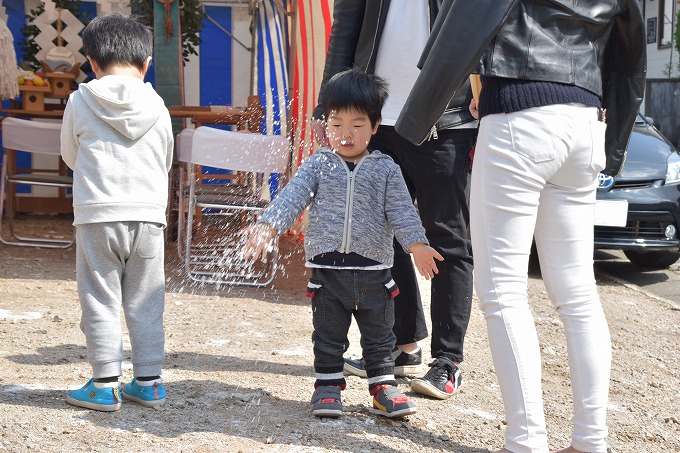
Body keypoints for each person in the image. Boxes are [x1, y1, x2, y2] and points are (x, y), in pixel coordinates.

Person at [395, 1, 645, 452]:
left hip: (519, 116)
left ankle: (526, 443)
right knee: (578, 294)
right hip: (584, 121)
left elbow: (463, 23)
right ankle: (591, 442)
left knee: (504, 292)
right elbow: (631, 60)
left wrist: (418, 118)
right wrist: (618, 140)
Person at [243, 68, 443, 418]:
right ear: (325, 125)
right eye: (336, 125)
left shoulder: (387, 169)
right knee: (328, 336)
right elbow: (291, 198)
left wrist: (417, 245)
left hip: (376, 275)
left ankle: (384, 389)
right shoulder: (318, 165)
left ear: (376, 125)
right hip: (327, 275)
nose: (346, 134)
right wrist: (268, 226)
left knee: (380, 337)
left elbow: (402, 213)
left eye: (357, 125)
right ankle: (328, 388)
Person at [312, 0, 477, 400]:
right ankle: (403, 347)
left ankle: (447, 360)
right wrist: (327, 107)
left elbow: (479, 29)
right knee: (386, 238)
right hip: (379, 121)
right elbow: (345, 30)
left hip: (446, 121)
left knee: (446, 240)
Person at [60, 13, 174, 412]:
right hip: (148, 216)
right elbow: (165, 159)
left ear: (91, 62)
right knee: (146, 299)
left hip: (97, 214)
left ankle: (105, 383)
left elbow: (70, 156)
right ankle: (149, 382)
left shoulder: (80, 99)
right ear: (145, 64)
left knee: (99, 297)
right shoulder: (158, 105)